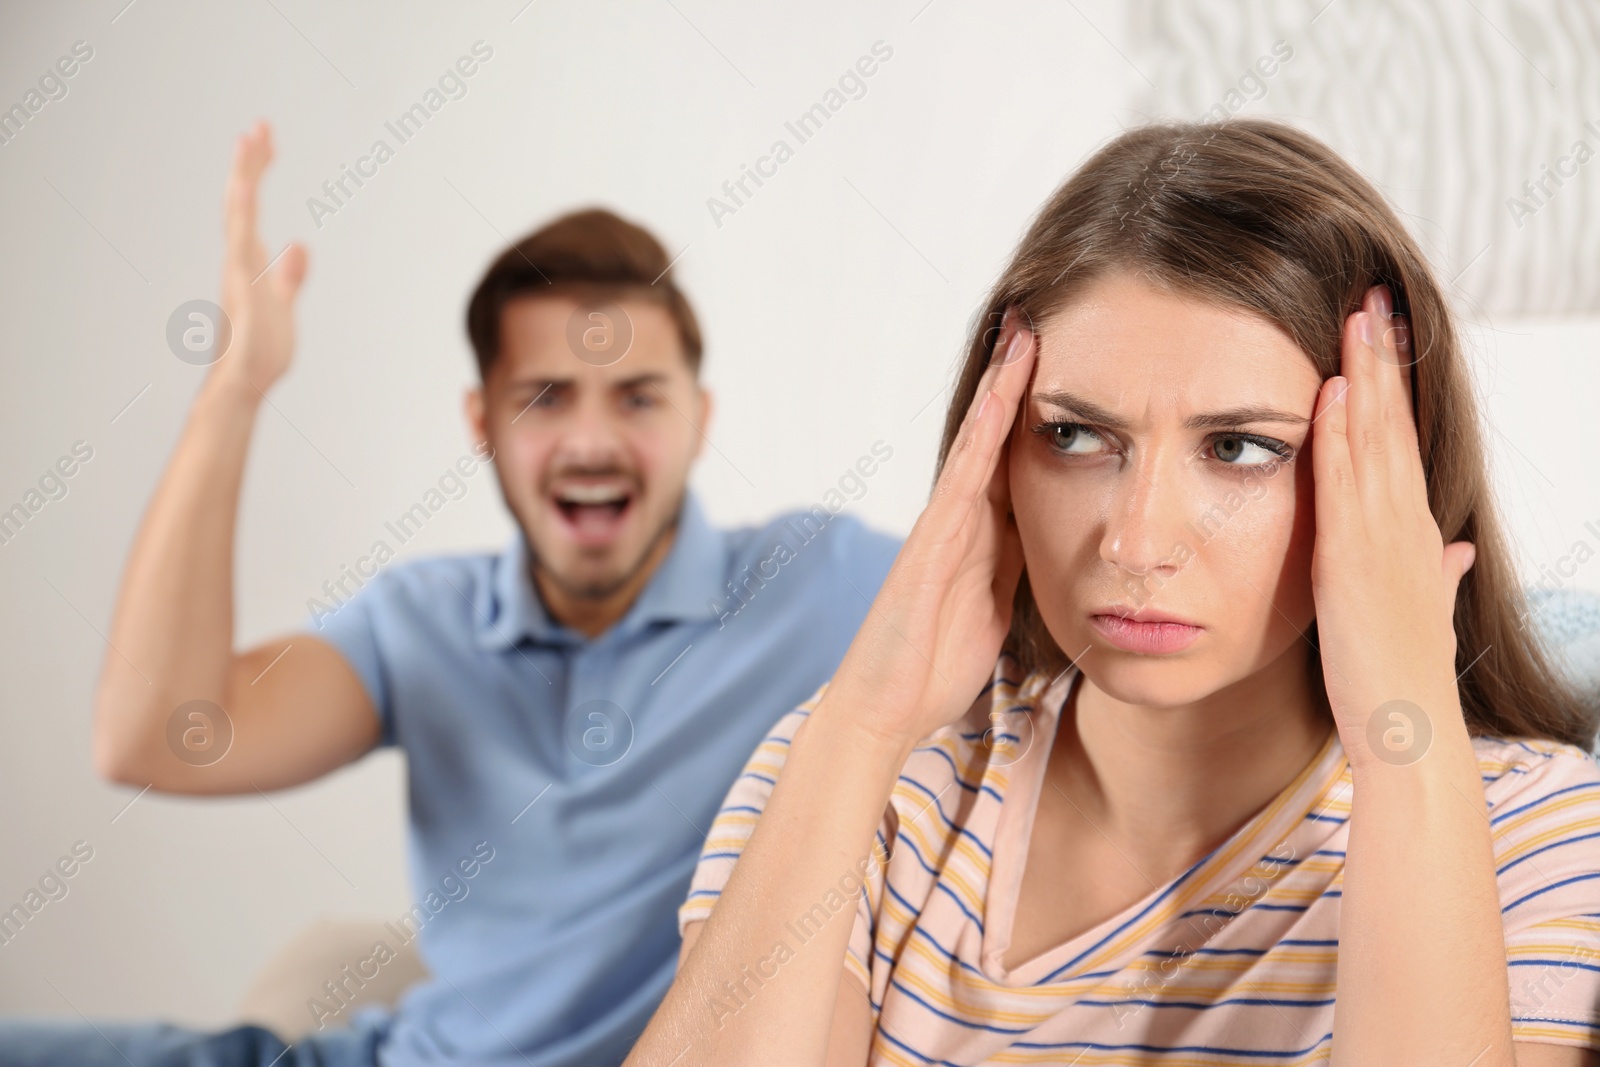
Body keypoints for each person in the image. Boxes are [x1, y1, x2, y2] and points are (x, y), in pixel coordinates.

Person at [626, 118, 1600, 1065]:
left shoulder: (1538, 832)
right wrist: (859, 729)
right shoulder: (857, 776)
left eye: (1239, 448)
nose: (1133, 541)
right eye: (1075, 436)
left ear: (1391, 474)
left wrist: (1404, 734)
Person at [1, 121, 899, 1066]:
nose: (592, 440)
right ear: (482, 420)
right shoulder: (421, 622)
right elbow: (156, 735)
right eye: (547, 396)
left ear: (698, 417)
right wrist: (235, 391)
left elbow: (1052, 636)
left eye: (636, 395)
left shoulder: (823, 585)